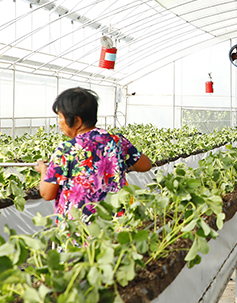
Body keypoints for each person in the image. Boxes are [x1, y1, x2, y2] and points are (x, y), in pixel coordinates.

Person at [35, 87, 152, 221]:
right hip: (115, 223)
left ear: (77, 121)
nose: (59, 122)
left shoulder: (66, 149)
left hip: (80, 229)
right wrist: (117, 163)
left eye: (61, 117)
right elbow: (145, 165)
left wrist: (44, 170)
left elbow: (47, 193)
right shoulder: (118, 141)